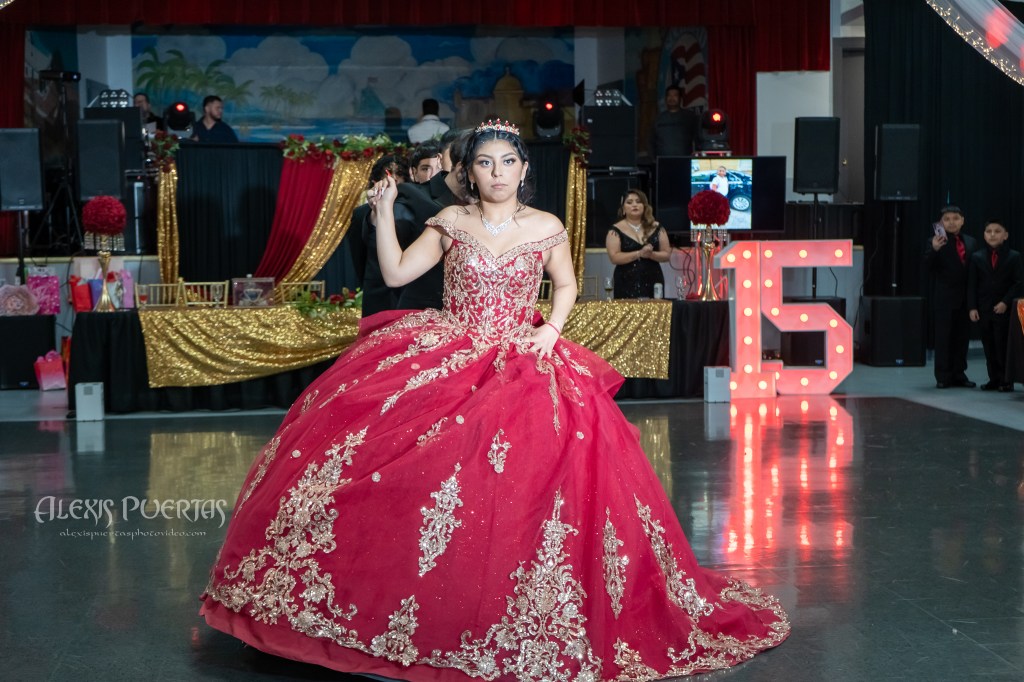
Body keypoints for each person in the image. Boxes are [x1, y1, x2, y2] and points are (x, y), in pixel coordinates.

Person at [200, 119, 789, 680]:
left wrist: (552, 328)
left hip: (524, 357)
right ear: (469, 172)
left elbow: (566, 284)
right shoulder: (450, 221)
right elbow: (397, 274)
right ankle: (411, 613)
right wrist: (382, 215)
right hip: (451, 351)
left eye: (508, 162)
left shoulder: (546, 226)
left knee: (529, 487)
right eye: (485, 163)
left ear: (523, 169)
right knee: (405, 475)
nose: (497, 172)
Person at [967, 220, 1023, 391]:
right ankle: (994, 378)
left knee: (1002, 345)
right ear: (984, 235)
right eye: (989, 231)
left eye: (997, 231)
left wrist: (1005, 301)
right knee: (989, 345)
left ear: (1005, 235)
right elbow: (972, 284)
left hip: (1004, 309)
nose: (992, 234)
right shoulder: (977, 257)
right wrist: (972, 307)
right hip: (984, 308)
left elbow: (1018, 283)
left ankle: (1006, 380)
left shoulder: (1014, 256)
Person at [926, 204, 977, 388]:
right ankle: (943, 376)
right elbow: (927, 267)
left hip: (965, 299)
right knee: (944, 338)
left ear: (962, 220)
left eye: (955, 218)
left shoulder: (971, 242)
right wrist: (934, 249)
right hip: (945, 299)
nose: (951, 222)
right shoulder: (935, 241)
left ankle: (959, 374)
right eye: (946, 219)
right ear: (941, 223)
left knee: (962, 339)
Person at [350, 154, 409, 315]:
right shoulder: (361, 214)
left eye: (400, 177)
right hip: (376, 290)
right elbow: (358, 256)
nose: (394, 181)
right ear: (375, 181)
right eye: (388, 176)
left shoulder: (414, 211)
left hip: (410, 292)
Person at [605, 189, 671, 298]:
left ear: (644, 206)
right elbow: (614, 258)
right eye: (629, 202)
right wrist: (639, 254)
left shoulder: (657, 227)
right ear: (623, 209)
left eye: (638, 201)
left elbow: (667, 255)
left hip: (653, 280)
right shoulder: (615, 230)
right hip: (625, 281)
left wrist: (651, 254)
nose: (634, 205)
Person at [649, 85, 697, 159]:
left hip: (685, 161)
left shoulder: (690, 117)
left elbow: (697, 139)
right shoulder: (658, 119)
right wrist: (653, 159)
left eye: (675, 95)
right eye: (669, 96)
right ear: (666, 98)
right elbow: (651, 141)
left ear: (680, 98)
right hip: (663, 161)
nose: (672, 98)